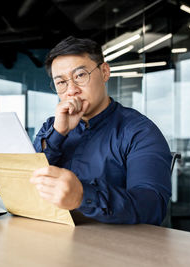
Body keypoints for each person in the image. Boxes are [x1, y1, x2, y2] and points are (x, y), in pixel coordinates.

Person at [30, 36, 172, 225]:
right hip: (51, 234)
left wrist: (82, 196)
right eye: (61, 82)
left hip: (112, 244)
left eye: (80, 75)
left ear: (104, 72)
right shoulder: (52, 126)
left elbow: (152, 207)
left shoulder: (140, 132)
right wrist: (58, 134)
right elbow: (28, 185)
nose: (71, 90)